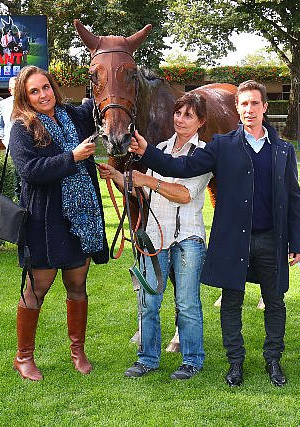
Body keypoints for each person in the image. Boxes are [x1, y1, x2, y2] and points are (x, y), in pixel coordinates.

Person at [128, 80, 300, 387]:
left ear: (264, 107)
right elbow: (182, 167)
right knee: (232, 302)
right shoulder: (222, 146)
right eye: (243, 104)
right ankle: (235, 362)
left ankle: (273, 361)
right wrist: (147, 152)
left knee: (275, 302)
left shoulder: (283, 150)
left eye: (255, 103)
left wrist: (296, 241)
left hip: (271, 239)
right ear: (237, 108)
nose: (249, 109)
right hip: (234, 239)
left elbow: (293, 198)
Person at [98, 93, 211, 381]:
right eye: (178, 113)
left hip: (188, 239)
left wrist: (147, 179)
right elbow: (145, 192)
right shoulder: (159, 149)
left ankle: (192, 361)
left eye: (188, 115)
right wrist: (117, 176)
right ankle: (147, 359)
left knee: (187, 303)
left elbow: (184, 195)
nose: (180, 119)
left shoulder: (204, 154)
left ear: (201, 122)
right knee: (148, 301)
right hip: (155, 238)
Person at [8, 66, 108, 381]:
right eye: (34, 91)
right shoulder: (22, 127)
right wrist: (72, 158)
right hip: (45, 220)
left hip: (82, 217)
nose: (43, 95)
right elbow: (30, 171)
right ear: (24, 97)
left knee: (77, 285)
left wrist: (102, 68)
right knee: (36, 288)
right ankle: (23, 357)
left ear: (54, 87)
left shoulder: (74, 115)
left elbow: (103, 99)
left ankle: (78, 352)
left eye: (46, 87)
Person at [0, 76, 17, 148]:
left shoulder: (30, 102)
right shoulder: (3, 104)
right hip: (10, 145)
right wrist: (4, 140)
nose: (19, 90)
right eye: (16, 88)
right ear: (10, 90)